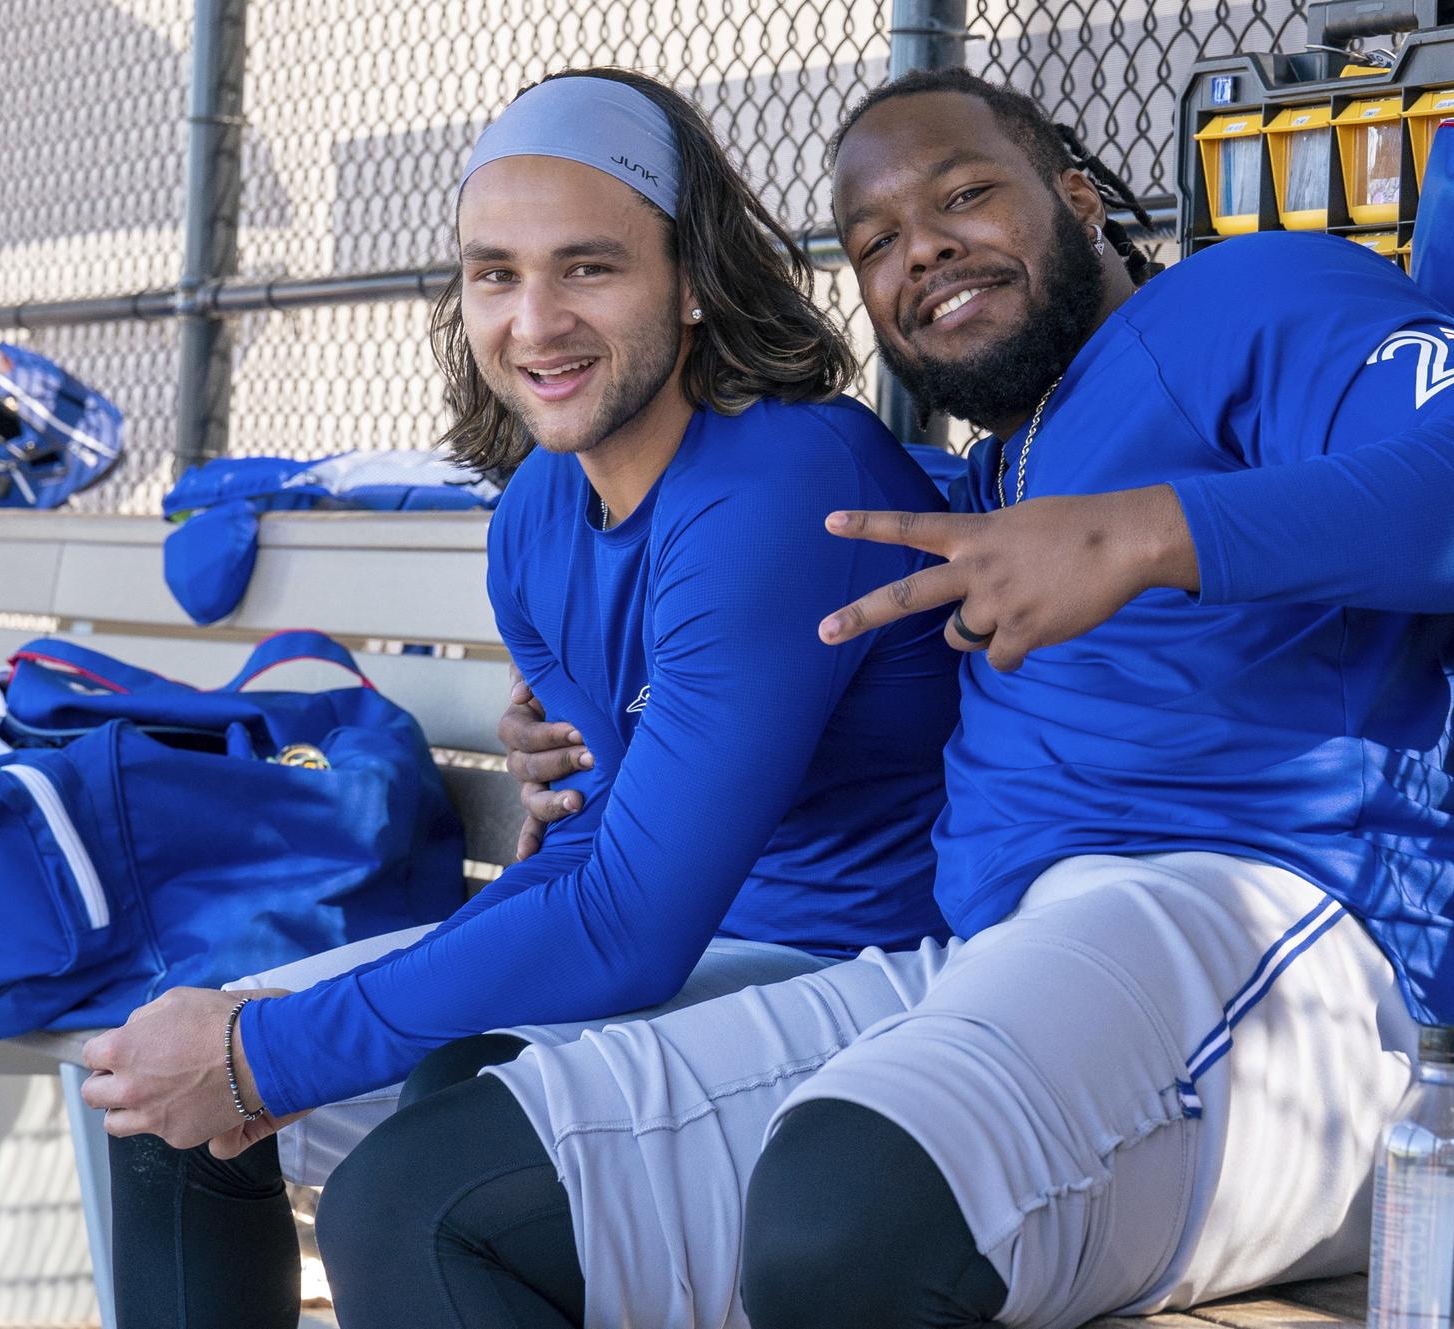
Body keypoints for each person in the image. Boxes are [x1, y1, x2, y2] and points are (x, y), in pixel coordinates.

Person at [315, 69, 1454, 1329]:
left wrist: (1143, 534)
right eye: (875, 239)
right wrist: (600, 717)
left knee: (850, 1212)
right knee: (435, 1194)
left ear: (1082, 197)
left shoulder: (1256, 295)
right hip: (994, 970)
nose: (921, 249)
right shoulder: (980, 485)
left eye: (963, 197)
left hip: (1304, 968)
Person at [77, 67, 964, 1328]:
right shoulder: (539, 512)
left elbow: (631, 924)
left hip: (857, 972)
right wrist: (239, 1051)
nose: (534, 322)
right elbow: (592, 842)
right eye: (495, 274)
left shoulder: (779, 483)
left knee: (431, 1154)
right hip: (682, 948)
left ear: (693, 279)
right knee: (158, 1096)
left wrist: (266, 1050)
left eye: (588, 268)